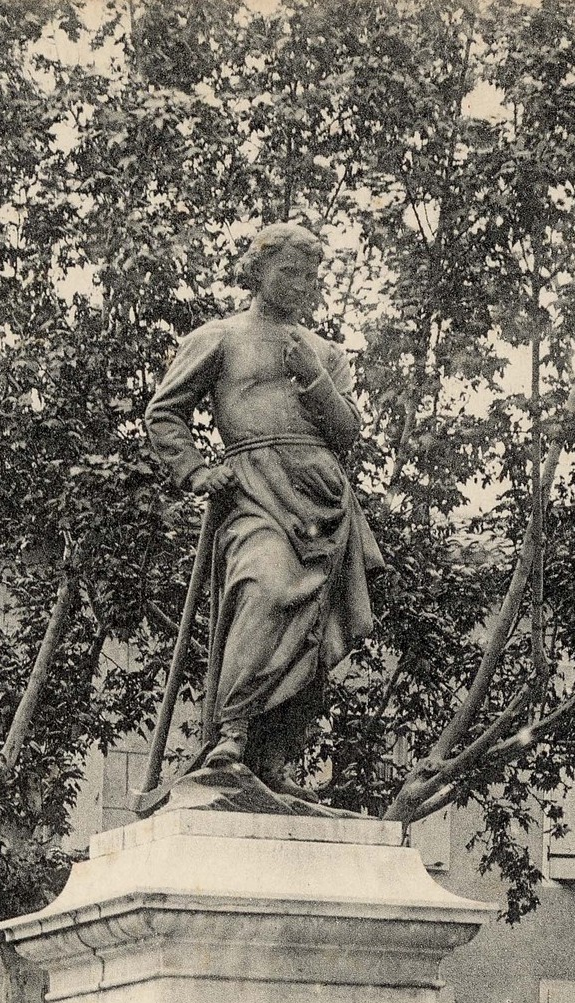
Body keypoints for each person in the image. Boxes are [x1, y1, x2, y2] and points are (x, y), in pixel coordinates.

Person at [144, 222, 383, 795]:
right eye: (289, 272)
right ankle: (232, 731)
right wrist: (198, 471)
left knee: (315, 633)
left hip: (322, 498)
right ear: (259, 271)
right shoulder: (220, 337)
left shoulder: (323, 352)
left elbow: (348, 431)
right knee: (267, 589)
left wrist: (315, 377)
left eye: (311, 276)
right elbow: (164, 412)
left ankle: (273, 755)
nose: (302, 285)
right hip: (253, 490)